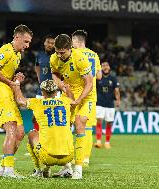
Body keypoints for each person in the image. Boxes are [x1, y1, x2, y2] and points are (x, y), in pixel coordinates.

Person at [0, 24, 33, 179]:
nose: (27, 45)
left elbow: (8, 77)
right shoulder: (5, 51)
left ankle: (3, 167)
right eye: (25, 41)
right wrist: (11, 82)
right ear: (17, 37)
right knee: (12, 128)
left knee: (20, 132)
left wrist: (16, 80)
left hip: (8, 93)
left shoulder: (18, 54)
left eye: (29, 42)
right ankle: (9, 170)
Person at [50, 34, 93, 179]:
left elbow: (89, 83)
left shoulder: (80, 58)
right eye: (57, 51)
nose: (59, 55)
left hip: (86, 95)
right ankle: (66, 167)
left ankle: (78, 168)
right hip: (68, 92)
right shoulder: (54, 58)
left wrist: (78, 100)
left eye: (62, 52)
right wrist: (59, 84)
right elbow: (54, 73)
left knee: (80, 123)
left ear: (70, 48)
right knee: (62, 127)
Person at [14, 79, 74, 178]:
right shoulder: (66, 101)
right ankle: (67, 167)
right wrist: (68, 89)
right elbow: (73, 100)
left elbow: (20, 100)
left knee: (32, 134)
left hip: (47, 157)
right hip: (69, 156)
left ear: (42, 92)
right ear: (56, 92)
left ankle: (39, 170)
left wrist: (17, 83)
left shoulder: (37, 102)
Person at [71, 29, 102, 166]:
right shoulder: (94, 55)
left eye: (72, 41)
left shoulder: (74, 54)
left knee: (70, 126)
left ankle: (71, 157)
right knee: (87, 127)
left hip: (75, 95)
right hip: (91, 95)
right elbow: (99, 76)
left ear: (77, 41)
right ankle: (85, 158)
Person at [94, 61, 120, 149]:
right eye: (103, 66)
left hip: (110, 104)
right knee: (99, 121)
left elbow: (116, 91)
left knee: (109, 123)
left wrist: (118, 100)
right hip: (100, 103)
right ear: (100, 68)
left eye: (107, 66)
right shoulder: (98, 78)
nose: (105, 67)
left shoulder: (113, 78)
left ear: (109, 67)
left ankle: (107, 142)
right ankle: (98, 141)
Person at [33, 34, 55, 131]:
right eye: (48, 42)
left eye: (52, 43)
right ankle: (38, 139)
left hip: (54, 91)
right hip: (41, 90)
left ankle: (51, 139)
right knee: (36, 117)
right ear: (44, 43)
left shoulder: (57, 56)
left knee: (52, 117)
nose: (50, 45)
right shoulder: (39, 55)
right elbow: (37, 66)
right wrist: (39, 78)